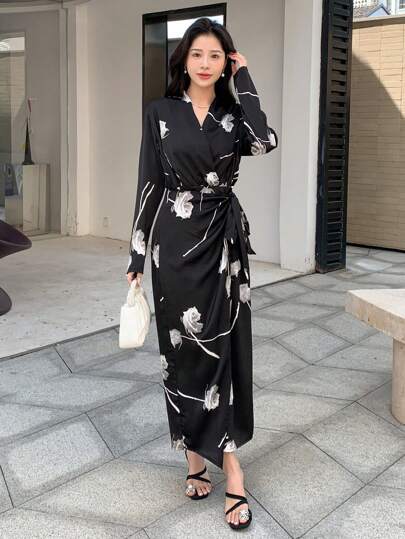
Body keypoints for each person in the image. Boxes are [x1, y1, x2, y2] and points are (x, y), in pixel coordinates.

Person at [126, 17, 278, 531]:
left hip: (223, 244)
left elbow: (265, 142)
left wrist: (245, 78)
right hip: (173, 245)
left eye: (216, 55)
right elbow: (149, 183)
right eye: (197, 54)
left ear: (226, 61)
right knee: (181, 352)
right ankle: (193, 453)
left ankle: (231, 467)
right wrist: (136, 257)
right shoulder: (160, 112)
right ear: (183, 60)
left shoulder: (235, 116)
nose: (206, 64)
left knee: (223, 349)